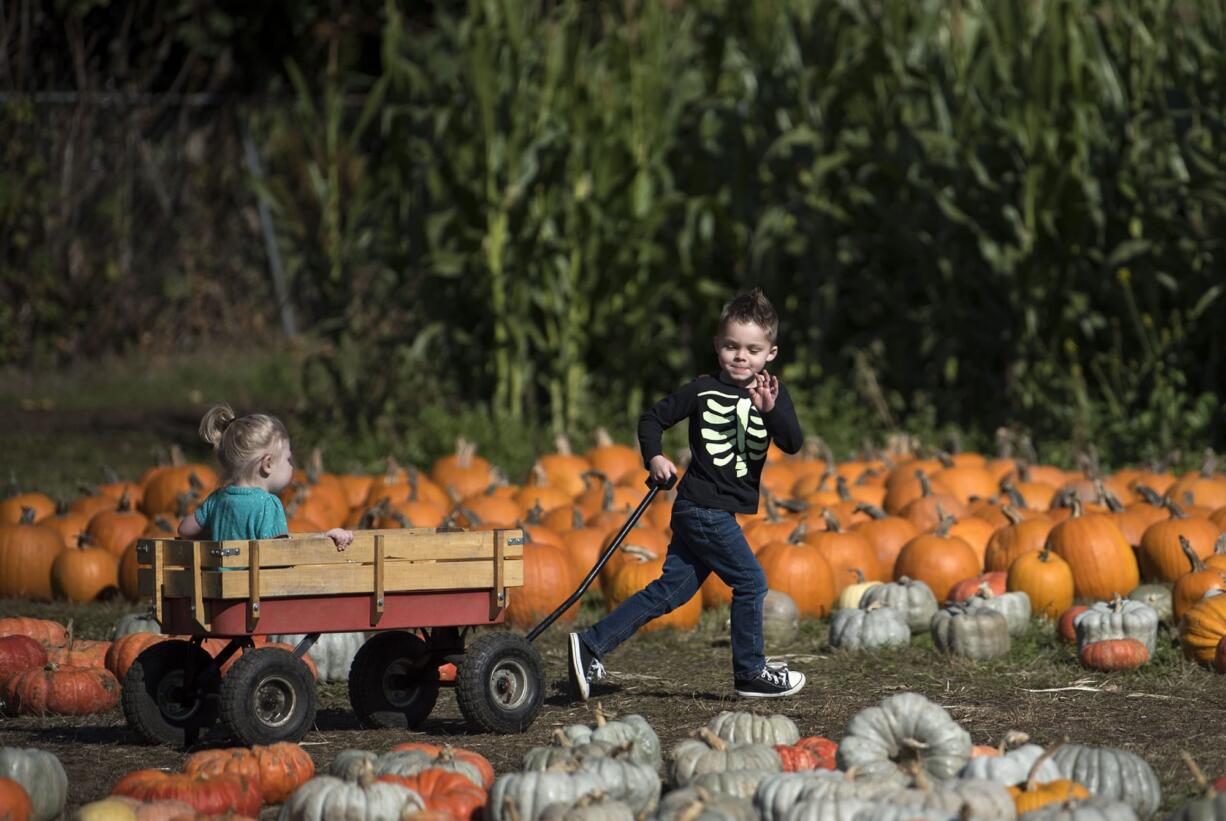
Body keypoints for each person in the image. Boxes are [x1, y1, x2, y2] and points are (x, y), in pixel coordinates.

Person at [568, 288, 805, 700]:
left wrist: (771, 411)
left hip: (713, 512)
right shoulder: (700, 391)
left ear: (771, 353)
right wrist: (654, 457)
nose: (740, 356)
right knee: (751, 582)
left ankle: (589, 644)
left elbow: (793, 442)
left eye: (752, 349)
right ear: (717, 346)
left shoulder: (771, 394)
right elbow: (652, 419)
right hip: (701, 508)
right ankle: (750, 672)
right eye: (731, 346)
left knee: (669, 592)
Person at [177, 403, 354, 550]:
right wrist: (324, 538)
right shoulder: (268, 504)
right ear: (267, 464)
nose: (291, 466)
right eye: (287, 459)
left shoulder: (216, 499)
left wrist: (218, 533)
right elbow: (283, 553)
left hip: (218, 589)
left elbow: (184, 529)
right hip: (255, 590)